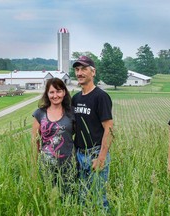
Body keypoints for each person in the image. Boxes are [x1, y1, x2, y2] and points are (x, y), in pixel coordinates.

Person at [71, 56, 113, 210]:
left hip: (95, 154)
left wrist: (101, 158)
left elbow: (109, 128)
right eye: (77, 69)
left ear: (93, 72)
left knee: (100, 200)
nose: (79, 73)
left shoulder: (100, 97)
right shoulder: (75, 98)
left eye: (83, 69)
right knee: (83, 197)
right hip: (79, 154)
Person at [31, 78, 76, 190]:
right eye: (52, 92)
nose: (55, 95)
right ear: (47, 94)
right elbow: (34, 142)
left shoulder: (72, 112)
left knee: (68, 198)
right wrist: (33, 167)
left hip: (68, 165)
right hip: (46, 166)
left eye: (59, 91)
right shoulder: (39, 114)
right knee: (48, 198)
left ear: (64, 92)